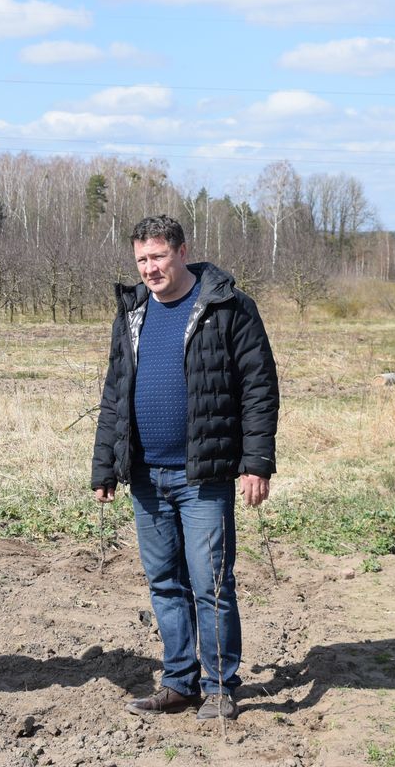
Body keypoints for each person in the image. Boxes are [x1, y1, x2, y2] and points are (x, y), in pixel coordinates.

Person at [91, 215, 279, 721]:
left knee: (211, 583)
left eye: (157, 257)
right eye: (141, 260)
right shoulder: (131, 312)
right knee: (164, 583)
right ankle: (179, 682)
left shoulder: (227, 307)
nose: (149, 269)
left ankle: (219, 685)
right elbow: (115, 394)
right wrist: (106, 465)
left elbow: (259, 389)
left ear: (181, 251)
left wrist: (256, 462)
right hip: (147, 477)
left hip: (206, 475)